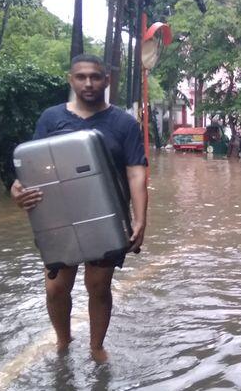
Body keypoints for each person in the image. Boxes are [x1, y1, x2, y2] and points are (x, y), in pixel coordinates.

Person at [11, 54, 148, 362]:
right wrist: (16, 190)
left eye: (95, 77)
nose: (89, 83)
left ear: (106, 81)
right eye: (81, 76)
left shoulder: (124, 123)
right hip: (58, 217)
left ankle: (96, 347)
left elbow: (136, 172)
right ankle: (63, 340)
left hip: (106, 216)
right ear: (70, 80)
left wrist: (140, 219)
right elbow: (29, 167)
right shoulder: (51, 118)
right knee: (56, 287)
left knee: (98, 286)